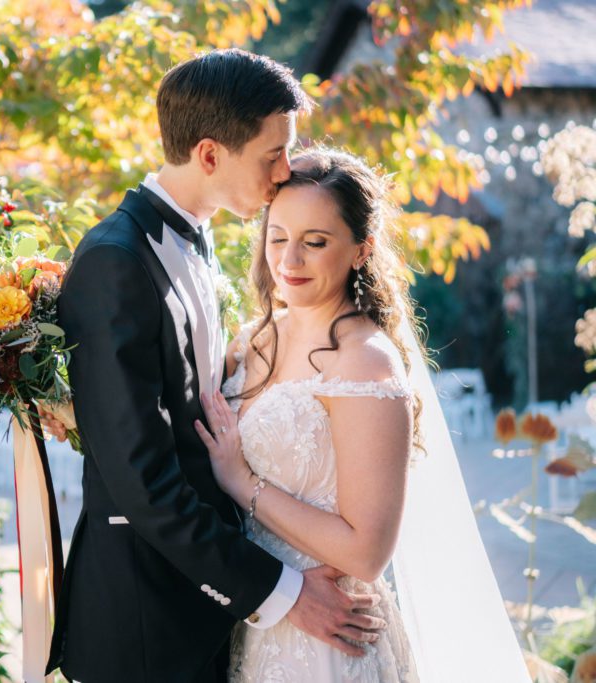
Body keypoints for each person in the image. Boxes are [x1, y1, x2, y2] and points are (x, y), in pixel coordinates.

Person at [45, 50, 384, 683]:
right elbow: (144, 483)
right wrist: (283, 593)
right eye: (272, 154)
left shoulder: (198, 240)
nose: (286, 173)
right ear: (209, 155)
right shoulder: (115, 263)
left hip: (207, 610)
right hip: (145, 623)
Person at [196, 148, 531, 682]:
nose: (289, 261)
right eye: (278, 237)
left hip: (332, 638)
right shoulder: (252, 341)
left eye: (316, 242)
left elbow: (367, 552)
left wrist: (243, 483)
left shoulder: (365, 361)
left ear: (361, 250)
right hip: (257, 620)